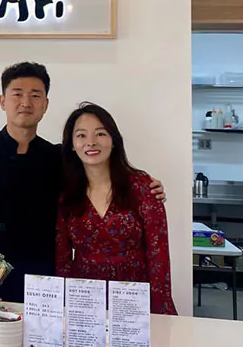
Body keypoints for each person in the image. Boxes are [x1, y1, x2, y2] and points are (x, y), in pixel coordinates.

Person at [0, 62, 165, 303]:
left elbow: (101, 173)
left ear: (46, 104)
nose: (26, 102)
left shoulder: (60, 158)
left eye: (35, 95)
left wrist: (146, 186)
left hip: (47, 283)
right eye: (17, 94)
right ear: (2, 101)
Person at [54, 102, 177, 315]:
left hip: (133, 294)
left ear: (113, 140)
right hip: (84, 297)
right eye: (81, 135)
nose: (91, 142)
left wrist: (160, 308)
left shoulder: (142, 187)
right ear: (72, 145)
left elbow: (159, 256)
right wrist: (61, 307)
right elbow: (62, 259)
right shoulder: (66, 194)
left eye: (100, 134)